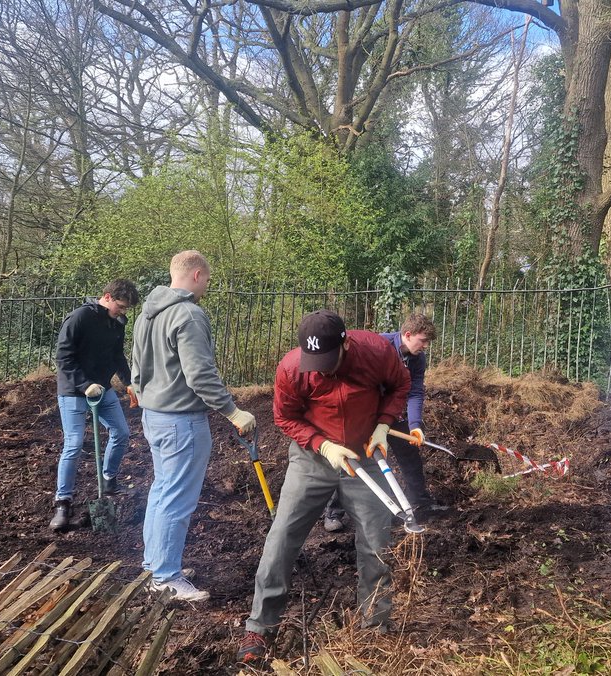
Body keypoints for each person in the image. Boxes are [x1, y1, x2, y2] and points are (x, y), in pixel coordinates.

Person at [238, 310, 410, 663]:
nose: (323, 369)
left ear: (346, 343)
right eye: (316, 362)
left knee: (376, 541)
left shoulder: (377, 352)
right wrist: (322, 445)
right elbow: (285, 417)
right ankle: (260, 625)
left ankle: (374, 626)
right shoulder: (292, 368)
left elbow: (400, 386)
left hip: (364, 455)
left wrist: (383, 424)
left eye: (329, 361)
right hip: (313, 459)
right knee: (282, 534)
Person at [131, 250, 256, 602]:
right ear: (197, 274)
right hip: (180, 421)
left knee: (161, 492)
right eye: (209, 279)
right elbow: (200, 375)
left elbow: (136, 367)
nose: (208, 285)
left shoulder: (147, 314)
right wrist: (233, 412)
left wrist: (145, 396)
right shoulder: (188, 315)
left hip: (153, 415)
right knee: (176, 498)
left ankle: (155, 565)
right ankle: (166, 578)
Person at [322, 313, 439, 532]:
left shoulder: (417, 358)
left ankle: (421, 502)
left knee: (409, 454)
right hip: (364, 411)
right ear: (407, 335)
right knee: (351, 459)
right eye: (423, 341)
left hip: (392, 411)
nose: (426, 346)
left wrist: (414, 424)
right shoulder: (378, 346)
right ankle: (333, 511)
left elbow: (414, 391)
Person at [50, 279, 141, 532]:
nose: (123, 312)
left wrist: (129, 382)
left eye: (126, 309)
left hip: (103, 389)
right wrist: (83, 385)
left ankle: (109, 479)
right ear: (108, 296)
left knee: (122, 432)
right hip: (74, 391)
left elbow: (116, 354)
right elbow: (63, 357)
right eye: (121, 306)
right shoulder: (79, 318)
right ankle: (63, 502)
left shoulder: (116, 322)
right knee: (74, 444)